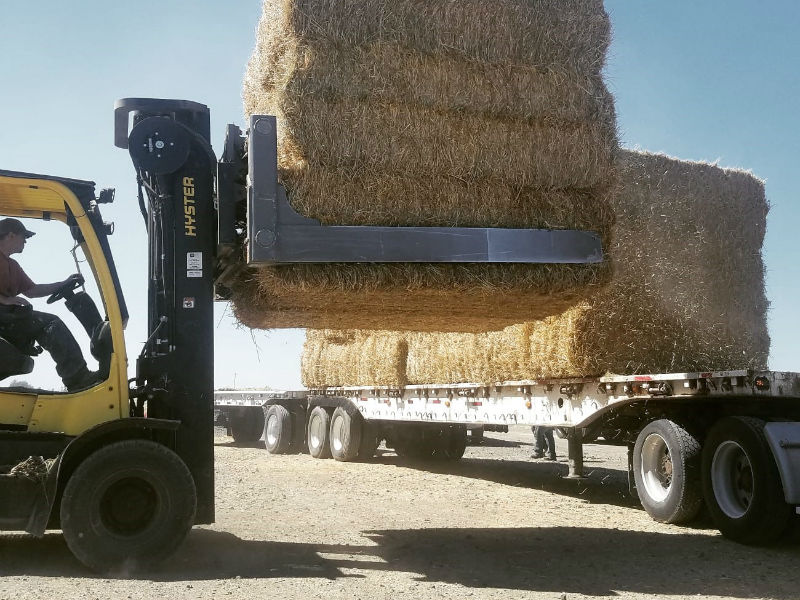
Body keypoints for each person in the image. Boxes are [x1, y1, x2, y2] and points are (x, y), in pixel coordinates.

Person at [0, 218, 99, 391]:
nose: (25, 241)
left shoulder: (12, 265)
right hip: (3, 320)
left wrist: (63, 284)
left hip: (9, 320)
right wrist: (4, 299)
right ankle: (78, 378)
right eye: (24, 237)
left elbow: (32, 290)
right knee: (50, 324)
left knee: (41, 321)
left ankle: (78, 377)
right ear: (10, 235)